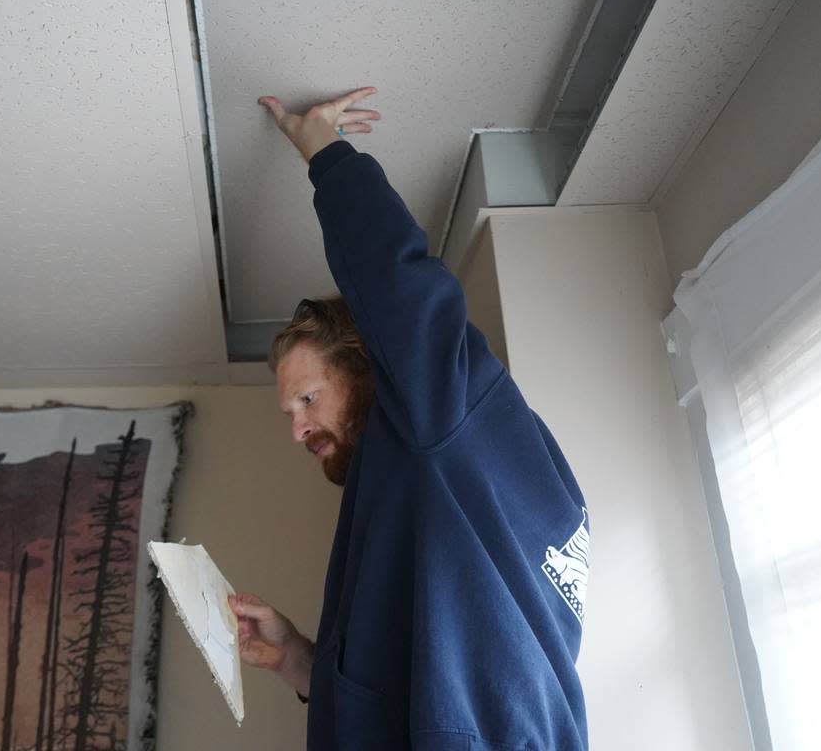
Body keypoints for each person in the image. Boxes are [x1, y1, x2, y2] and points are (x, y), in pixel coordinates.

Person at [227, 86, 590, 751]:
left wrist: (323, 149)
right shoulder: (444, 498)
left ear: (371, 364)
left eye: (308, 399)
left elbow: (400, 287)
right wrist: (296, 659)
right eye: (289, 413)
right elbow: (405, 694)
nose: (297, 430)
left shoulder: (443, 423)